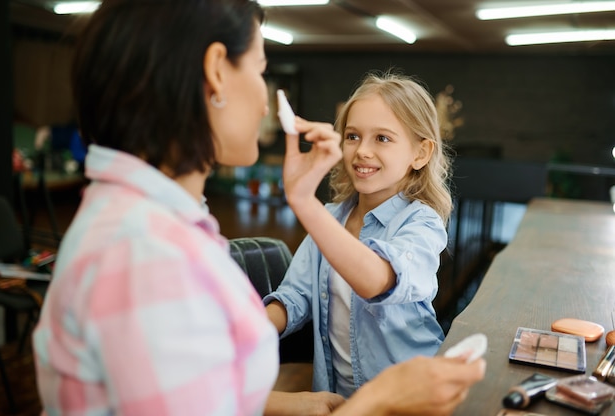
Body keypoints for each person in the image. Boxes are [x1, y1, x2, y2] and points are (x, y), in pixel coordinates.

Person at [32, 0, 484, 415]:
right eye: (261, 69)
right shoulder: (146, 252)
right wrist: (381, 401)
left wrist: (280, 404)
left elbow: (194, 383)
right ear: (216, 73)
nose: (268, 99)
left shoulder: (160, 226)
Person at [264, 71, 452, 397]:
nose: (362, 151)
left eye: (382, 138)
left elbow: (377, 280)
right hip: (341, 397)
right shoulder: (331, 218)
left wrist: (304, 202)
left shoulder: (422, 222)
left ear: (420, 154)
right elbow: (294, 298)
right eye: (352, 136)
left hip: (409, 398)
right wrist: (242, 331)